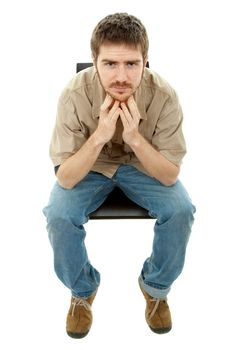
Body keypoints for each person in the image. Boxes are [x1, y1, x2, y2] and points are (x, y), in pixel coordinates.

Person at [43, 12, 195, 338]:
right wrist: (99, 136)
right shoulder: (74, 95)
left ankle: (155, 289)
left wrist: (135, 139)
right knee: (58, 213)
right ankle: (82, 292)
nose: (121, 76)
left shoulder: (164, 96)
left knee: (181, 209)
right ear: (94, 63)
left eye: (132, 64)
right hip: (91, 166)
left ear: (145, 63)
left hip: (143, 164)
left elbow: (170, 175)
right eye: (110, 64)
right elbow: (66, 179)